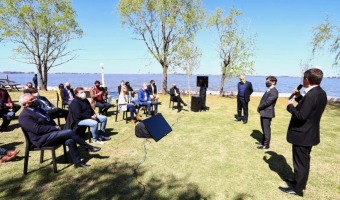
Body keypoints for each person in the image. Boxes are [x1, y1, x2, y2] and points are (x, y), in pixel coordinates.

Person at [278, 68, 327, 197]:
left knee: (301, 163)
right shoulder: (320, 93)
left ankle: (298, 189)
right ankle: (298, 181)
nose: (302, 81)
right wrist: (299, 97)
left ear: (307, 80)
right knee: (302, 161)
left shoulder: (311, 95)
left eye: (303, 79)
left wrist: (290, 106)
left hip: (303, 134)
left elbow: (301, 116)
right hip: (309, 133)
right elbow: (309, 108)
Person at [18, 93, 101, 168]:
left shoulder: (39, 110)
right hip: (41, 139)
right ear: (25, 104)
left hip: (52, 134)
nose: (35, 100)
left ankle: (77, 163)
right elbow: (37, 130)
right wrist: (55, 128)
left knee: (70, 140)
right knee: (69, 131)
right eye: (31, 100)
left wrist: (55, 127)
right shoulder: (24, 116)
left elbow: (49, 120)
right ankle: (87, 147)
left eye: (34, 98)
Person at [256, 76, 279, 149]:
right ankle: (263, 141)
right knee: (263, 127)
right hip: (264, 111)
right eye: (266, 81)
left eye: (268, 81)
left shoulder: (274, 91)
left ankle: (266, 145)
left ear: (273, 82)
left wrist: (259, 107)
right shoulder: (269, 90)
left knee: (266, 129)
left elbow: (267, 102)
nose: (267, 82)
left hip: (267, 112)